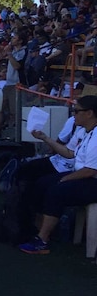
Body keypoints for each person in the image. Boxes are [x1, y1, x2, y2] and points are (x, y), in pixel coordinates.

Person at [19, 96, 97, 255]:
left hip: (92, 180)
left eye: (76, 111)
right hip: (83, 175)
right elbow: (69, 153)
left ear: (89, 113)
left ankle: (42, 239)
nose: (73, 114)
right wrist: (45, 138)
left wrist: (65, 179)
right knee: (42, 183)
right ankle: (41, 228)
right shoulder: (83, 131)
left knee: (57, 190)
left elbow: (91, 170)